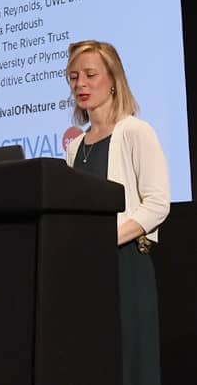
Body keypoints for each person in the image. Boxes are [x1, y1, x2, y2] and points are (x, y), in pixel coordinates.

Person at [64, 40, 170, 385]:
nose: (80, 84)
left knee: (130, 363)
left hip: (126, 265)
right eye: (74, 76)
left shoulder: (136, 131)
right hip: (85, 268)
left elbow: (157, 204)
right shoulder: (74, 145)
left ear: (113, 80)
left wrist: (104, 237)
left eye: (90, 75)